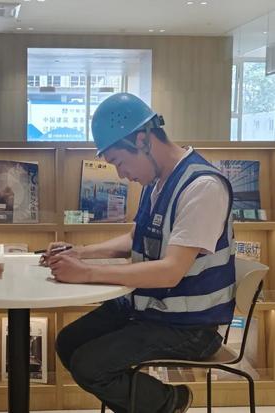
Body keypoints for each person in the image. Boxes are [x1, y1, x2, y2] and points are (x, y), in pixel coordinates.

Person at [43, 93, 235, 413]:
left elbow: (171, 271)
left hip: (191, 327)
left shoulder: (203, 187)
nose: (122, 175)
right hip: (150, 307)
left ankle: (170, 402)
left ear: (143, 140)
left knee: (91, 365)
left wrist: (87, 273)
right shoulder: (156, 181)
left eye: (119, 162)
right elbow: (136, 237)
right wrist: (81, 253)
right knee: (69, 343)